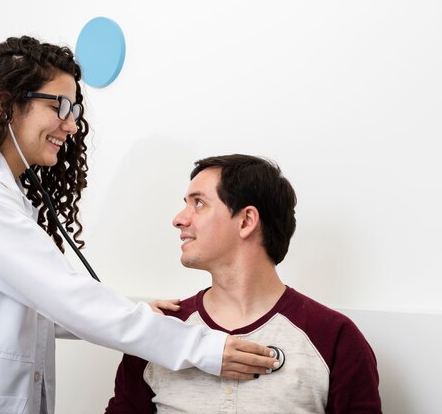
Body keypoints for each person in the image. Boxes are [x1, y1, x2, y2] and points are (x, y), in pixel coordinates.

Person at [0, 37, 279, 414]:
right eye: (58, 107)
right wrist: (202, 348)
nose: (71, 124)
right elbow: (63, 296)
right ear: (5, 105)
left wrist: (137, 314)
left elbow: (30, 304)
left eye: (75, 111)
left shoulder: (1, 194)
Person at [105, 154, 382, 414]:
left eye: (198, 203)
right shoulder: (159, 330)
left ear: (246, 220)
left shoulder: (335, 338)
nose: (179, 219)